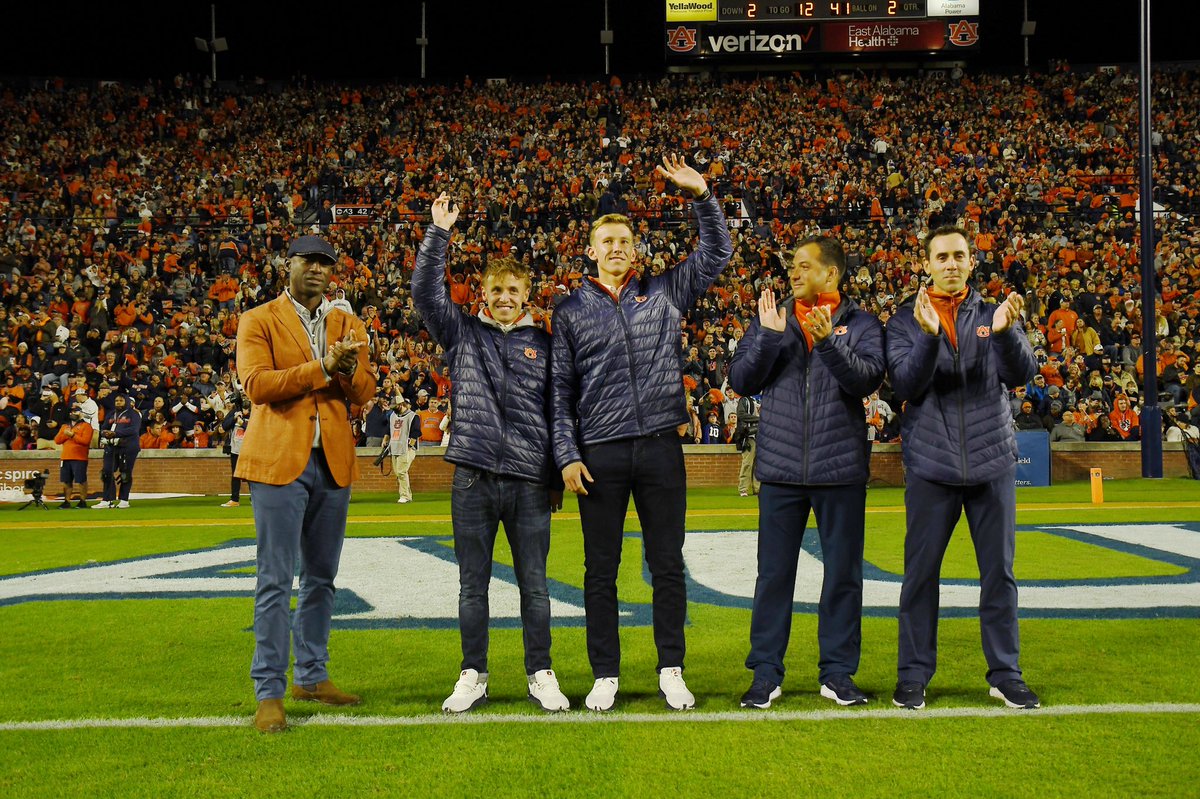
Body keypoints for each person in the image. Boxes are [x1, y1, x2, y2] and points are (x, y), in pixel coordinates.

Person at [551, 154, 732, 711]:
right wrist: (567, 455)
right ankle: (605, 672)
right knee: (599, 571)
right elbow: (559, 392)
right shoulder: (570, 311)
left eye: (624, 241)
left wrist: (702, 196)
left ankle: (671, 668)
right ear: (591, 250)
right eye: (606, 241)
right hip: (600, 452)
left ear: (636, 248)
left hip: (659, 446)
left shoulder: (664, 291)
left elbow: (717, 253)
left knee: (668, 564)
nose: (616, 248)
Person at [414, 193, 569, 713]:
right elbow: (424, 293)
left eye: (513, 290)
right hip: (473, 476)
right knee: (471, 586)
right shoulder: (461, 331)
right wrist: (438, 234)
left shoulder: (545, 344)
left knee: (536, 587)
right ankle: (473, 674)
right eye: (496, 289)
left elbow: (557, 413)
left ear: (527, 295)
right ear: (483, 292)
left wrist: (553, 476)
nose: (504, 297)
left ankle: (540, 672)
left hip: (528, 480)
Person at [886, 225, 1041, 711]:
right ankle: (913, 676)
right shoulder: (905, 321)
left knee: (999, 575)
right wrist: (929, 336)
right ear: (926, 265)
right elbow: (905, 386)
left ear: (972, 262)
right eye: (941, 257)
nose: (951, 264)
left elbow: (1022, 373)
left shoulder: (995, 314)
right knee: (920, 576)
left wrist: (1006, 334)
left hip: (991, 461)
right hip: (931, 465)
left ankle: (1006, 674)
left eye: (959, 255)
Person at [728, 236, 885, 709]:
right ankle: (765, 673)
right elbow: (741, 380)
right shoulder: (772, 318)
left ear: (830, 273)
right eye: (792, 266)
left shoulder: (861, 323)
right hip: (780, 470)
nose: (792, 274)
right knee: (773, 576)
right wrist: (768, 336)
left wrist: (828, 344)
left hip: (840, 470)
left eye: (802, 266)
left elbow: (867, 379)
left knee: (843, 576)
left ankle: (837, 673)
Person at [235, 234, 377, 734]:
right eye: (308, 261)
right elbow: (257, 385)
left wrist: (349, 370)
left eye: (325, 263)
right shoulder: (258, 319)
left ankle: (312, 677)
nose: (317, 269)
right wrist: (323, 367)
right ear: (288, 265)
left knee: (321, 578)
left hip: (332, 462)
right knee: (275, 580)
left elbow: (365, 392)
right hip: (278, 462)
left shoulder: (348, 323)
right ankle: (269, 692)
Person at [94, 394, 141, 509]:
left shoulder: (134, 414)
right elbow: (104, 427)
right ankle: (107, 499)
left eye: (121, 400)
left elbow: (134, 430)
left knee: (125, 473)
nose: (118, 402)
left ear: (126, 401)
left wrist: (116, 434)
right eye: (116, 400)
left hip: (128, 446)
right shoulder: (111, 413)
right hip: (111, 446)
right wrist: (104, 433)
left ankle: (124, 500)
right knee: (106, 472)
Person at [54, 406, 92, 509]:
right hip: (66, 457)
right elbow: (57, 440)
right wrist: (66, 435)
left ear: (81, 413)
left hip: (80, 457)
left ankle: (82, 501)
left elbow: (85, 441)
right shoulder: (65, 426)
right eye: (71, 412)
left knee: (81, 480)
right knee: (66, 481)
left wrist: (72, 435)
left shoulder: (86, 426)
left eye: (75, 411)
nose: (73, 413)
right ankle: (66, 501)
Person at [386, 395, 420, 503]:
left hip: (406, 448)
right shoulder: (393, 415)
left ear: (400, 405)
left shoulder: (413, 416)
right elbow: (388, 429)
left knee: (401, 472)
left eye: (395, 406)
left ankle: (404, 496)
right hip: (395, 447)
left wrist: (410, 446)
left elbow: (416, 432)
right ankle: (407, 495)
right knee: (398, 473)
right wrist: (385, 439)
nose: (393, 409)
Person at [220, 396, 250, 507]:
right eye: (244, 408)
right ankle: (234, 499)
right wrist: (234, 418)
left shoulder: (256, 413)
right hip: (235, 449)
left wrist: (243, 423)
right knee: (235, 475)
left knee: (251, 476)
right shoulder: (235, 411)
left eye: (247, 409)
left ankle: (255, 498)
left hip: (250, 450)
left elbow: (257, 429)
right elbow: (224, 426)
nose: (245, 411)